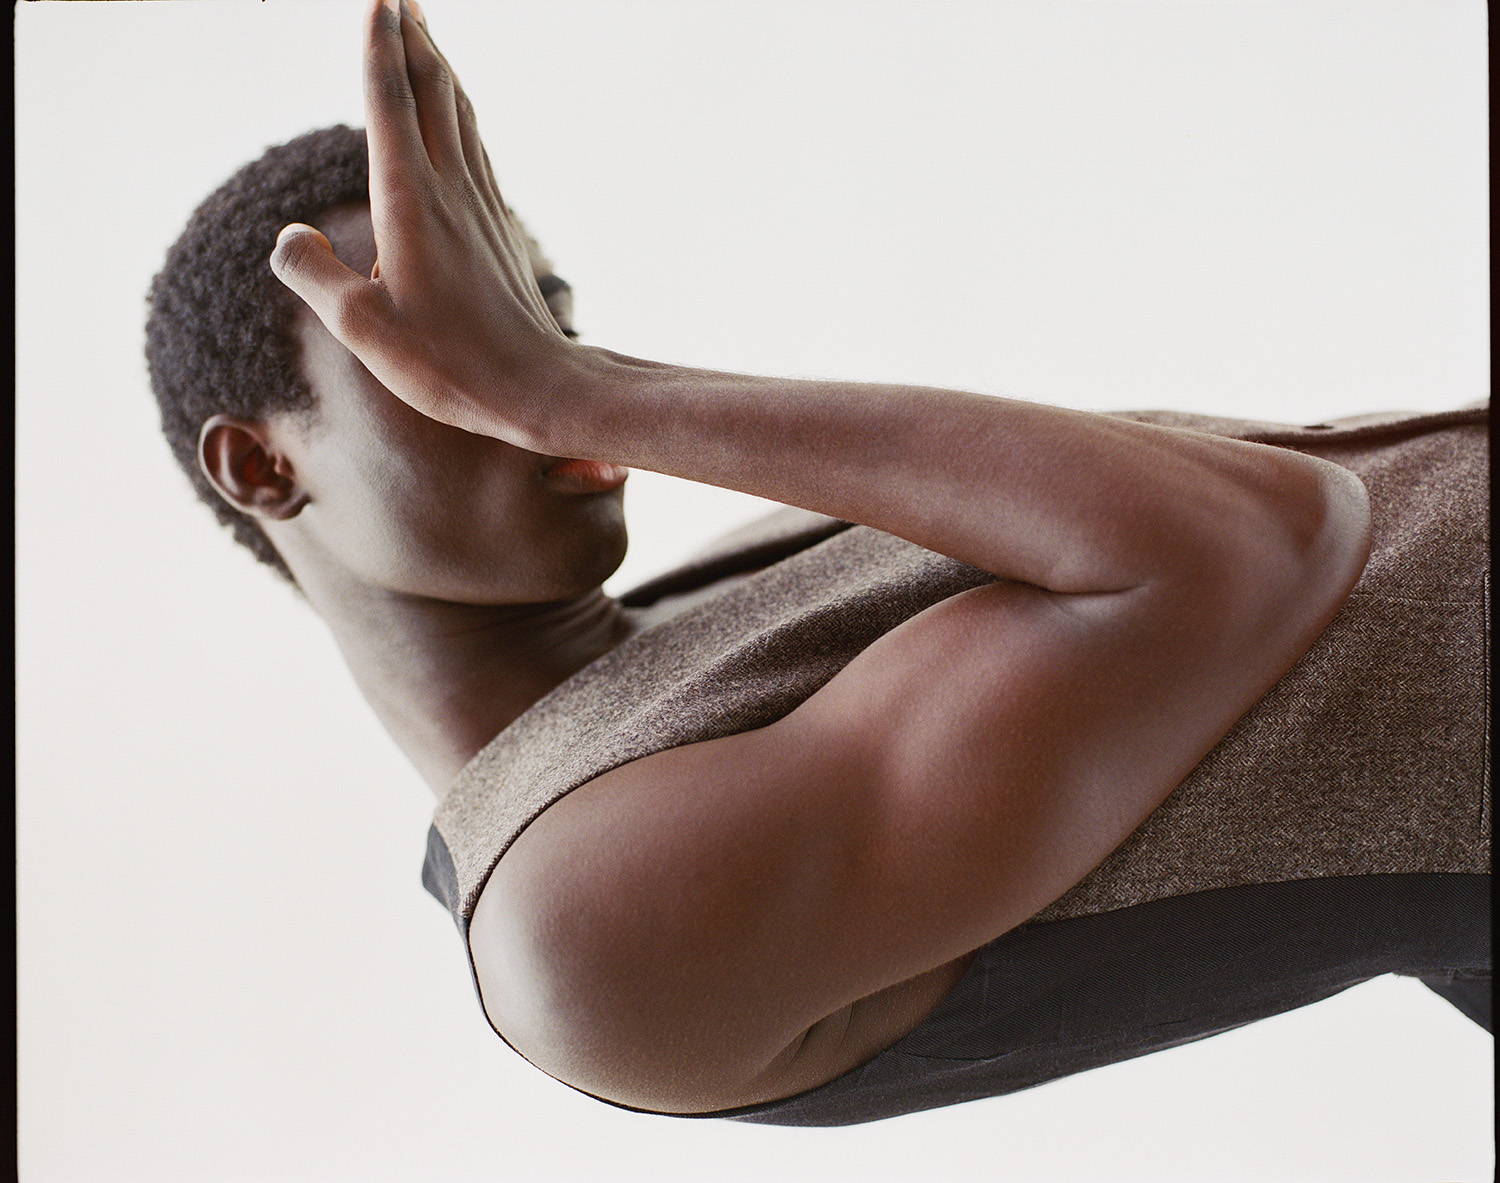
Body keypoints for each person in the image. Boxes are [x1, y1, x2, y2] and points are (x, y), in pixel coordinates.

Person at [145, 0, 1489, 1124]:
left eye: (533, 323)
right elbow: (1259, 545)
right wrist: (568, 392)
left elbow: (1350, 652)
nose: (515, 374)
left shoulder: (700, 596)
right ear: (264, 467)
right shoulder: (579, 926)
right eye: (441, 349)